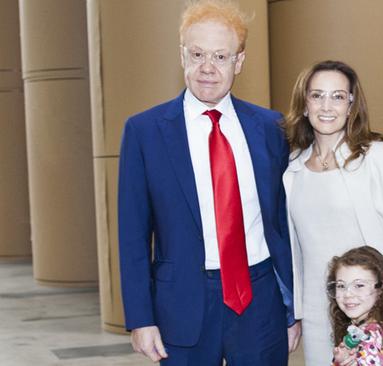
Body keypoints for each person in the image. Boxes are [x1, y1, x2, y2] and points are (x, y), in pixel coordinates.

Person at [117, 1, 300, 365]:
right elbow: (132, 233)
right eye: (197, 54)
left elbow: (283, 221)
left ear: (239, 62)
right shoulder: (144, 131)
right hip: (182, 302)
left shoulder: (270, 128)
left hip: (260, 298)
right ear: (181, 54)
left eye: (220, 56)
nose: (207, 68)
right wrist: (141, 319)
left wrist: (292, 306)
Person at [283, 60, 383, 365]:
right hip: (320, 309)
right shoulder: (290, 170)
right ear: (304, 105)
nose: (327, 105)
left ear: (351, 105)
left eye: (338, 96)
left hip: (376, 308)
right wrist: (296, 313)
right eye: (317, 96)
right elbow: (296, 250)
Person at [326, 246, 383, 366]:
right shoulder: (365, 327)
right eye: (341, 286)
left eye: (359, 285)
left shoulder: (369, 337)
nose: (348, 294)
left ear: (381, 289)